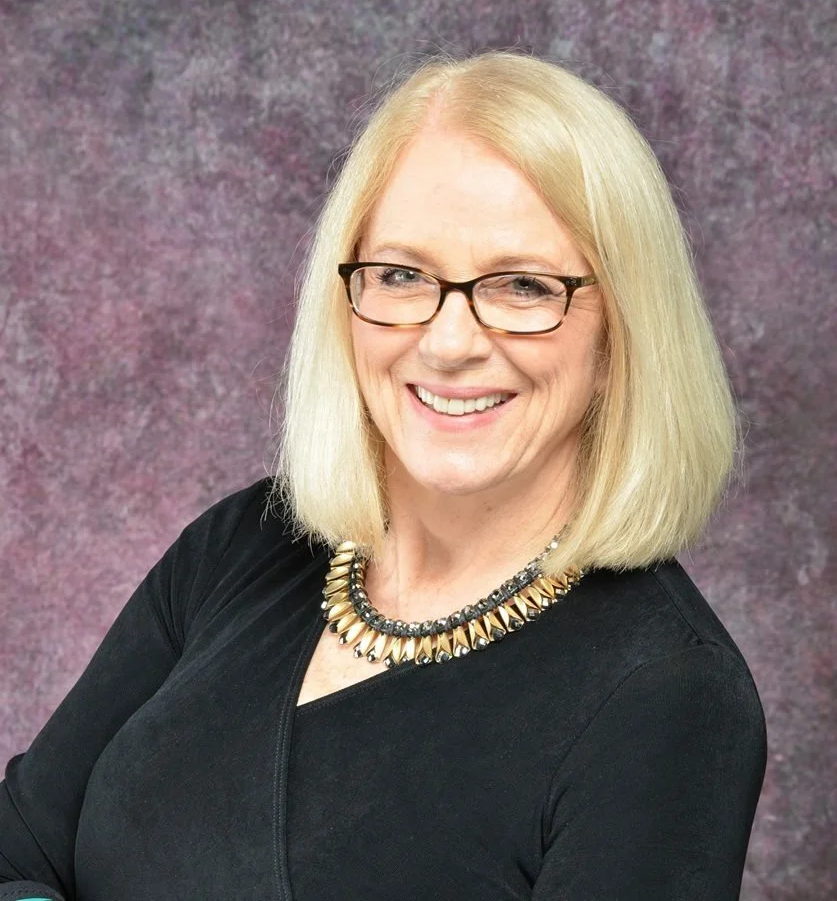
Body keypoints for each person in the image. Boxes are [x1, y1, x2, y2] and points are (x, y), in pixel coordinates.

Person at [0, 51, 767, 901]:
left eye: (521, 285)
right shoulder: (248, 544)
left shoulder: (668, 697)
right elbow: (20, 850)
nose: (446, 343)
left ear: (623, 331)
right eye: (401, 275)